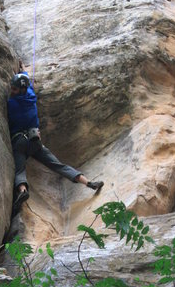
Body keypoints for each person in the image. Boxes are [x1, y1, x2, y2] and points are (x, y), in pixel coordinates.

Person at [7, 61, 104, 213]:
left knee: (20, 171)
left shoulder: (11, 103)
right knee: (58, 165)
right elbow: (26, 79)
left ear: (19, 90)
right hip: (35, 140)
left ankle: (23, 191)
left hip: (19, 141)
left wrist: (22, 72)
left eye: (14, 88)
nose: (11, 91)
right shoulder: (31, 96)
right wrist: (24, 70)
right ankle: (89, 183)